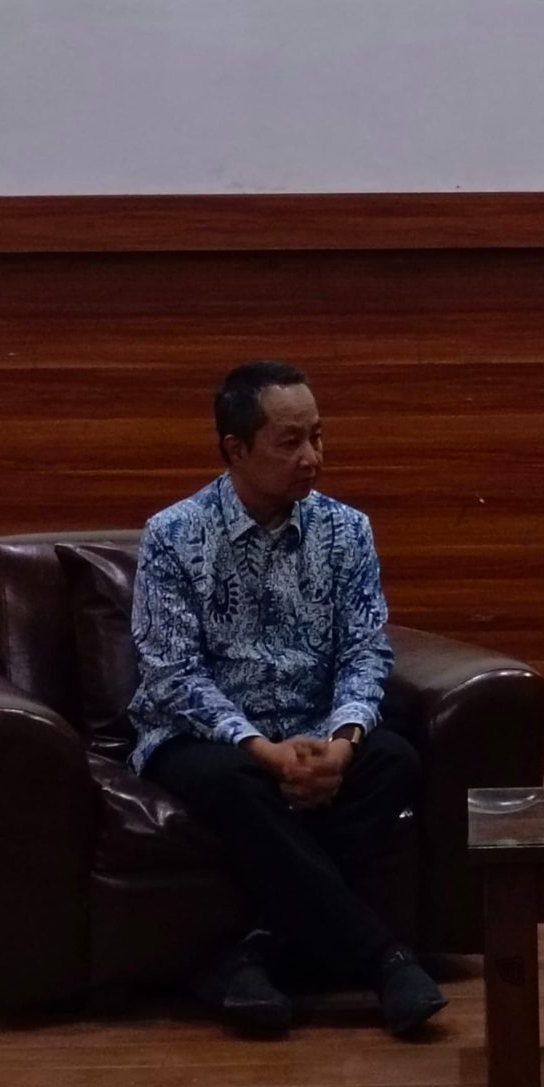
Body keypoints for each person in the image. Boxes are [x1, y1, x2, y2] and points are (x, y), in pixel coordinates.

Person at [129, 360, 446, 1037]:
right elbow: (173, 673)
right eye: (290, 442)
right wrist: (262, 749)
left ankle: (250, 955)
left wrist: (344, 740)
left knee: (393, 759)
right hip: (204, 738)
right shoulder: (174, 536)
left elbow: (364, 651)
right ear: (236, 449)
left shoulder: (346, 531)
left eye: (318, 436)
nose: (312, 458)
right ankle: (384, 957)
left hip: (315, 726)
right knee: (240, 782)